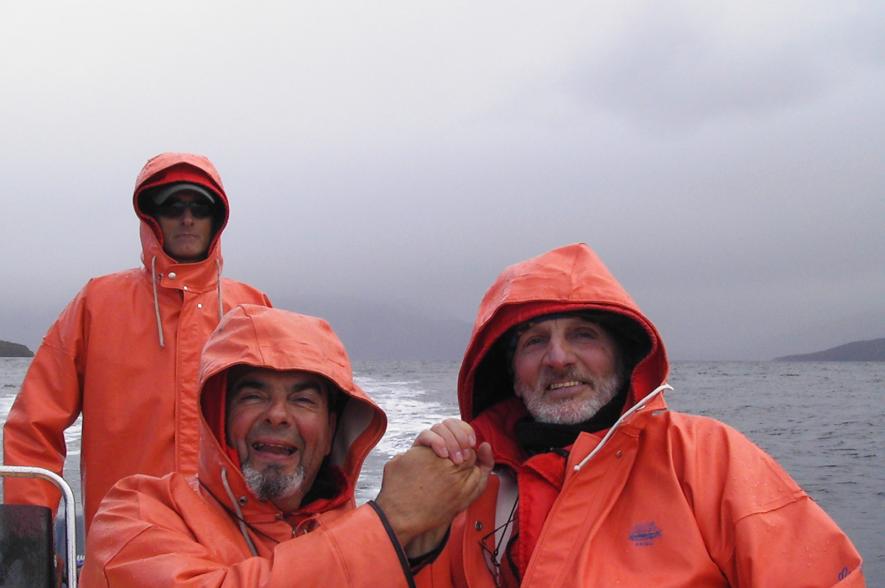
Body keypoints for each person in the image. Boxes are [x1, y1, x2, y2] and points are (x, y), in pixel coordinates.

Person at [416, 243, 865, 586]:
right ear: (510, 374)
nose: (558, 358)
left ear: (622, 357)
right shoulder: (468, 489)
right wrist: (409, 531)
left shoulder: (709, 459)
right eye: (534, 341)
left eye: (583, 335)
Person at [80, 305, 492, 586]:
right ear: (219, 418)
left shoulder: (355, 531)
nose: (278, 415)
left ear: (333, 428)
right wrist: (392, 522)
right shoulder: (136, 513)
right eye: (254, 395)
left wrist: (426, 541)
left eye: (303, 399)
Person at [2, 153, 272, 533]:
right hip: (123, 544)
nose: (187, 218)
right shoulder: (96, 303)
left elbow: (291, 431)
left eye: (200, 207)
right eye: (173, 206)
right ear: (151, 217)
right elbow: (33, 426)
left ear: (218, 219)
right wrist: (29, 534)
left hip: (234, 544)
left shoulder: (252, 309)